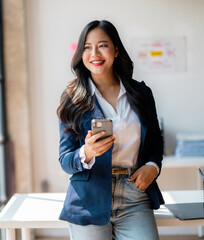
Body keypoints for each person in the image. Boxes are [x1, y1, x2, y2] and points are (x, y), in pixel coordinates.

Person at [56, 20, 164, 240]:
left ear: (115, 49)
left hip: (135, 194)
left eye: (102, 45)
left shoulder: (141, 93)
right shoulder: (72, 99)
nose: (94, 53)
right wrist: (87, 152)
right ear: (80, 53)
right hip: (88, 198)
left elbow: (155, 141)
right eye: (86, 47)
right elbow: (65, 160)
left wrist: (152, 166)